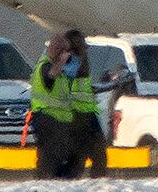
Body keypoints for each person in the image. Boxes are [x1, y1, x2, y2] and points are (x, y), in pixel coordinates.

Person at [30, 30, 107, 178]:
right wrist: (64, 61)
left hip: (72, 116)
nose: (84, 52)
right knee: (61, 158)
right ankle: (51, 183)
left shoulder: (74, 65)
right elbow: (52, 75)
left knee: (78, 157)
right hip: (63, 116)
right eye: (81, 48)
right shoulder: (57, 65)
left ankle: (70, 182)